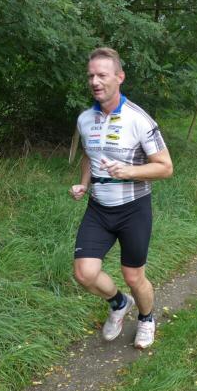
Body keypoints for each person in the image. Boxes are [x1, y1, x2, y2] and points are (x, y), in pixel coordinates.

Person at [69, 47, 173, 350]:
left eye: (102, 75)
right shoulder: (85, 119)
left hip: (133, 209)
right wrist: (84, 184)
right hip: (98, 208)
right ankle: (118, 303)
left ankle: (146, 318)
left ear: (119, 77)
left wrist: (128, 171)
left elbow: (166, 167)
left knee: (133, 276)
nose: (95, 81)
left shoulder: (138, 119)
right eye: (91, 75)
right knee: (84, 273)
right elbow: (89, 155)